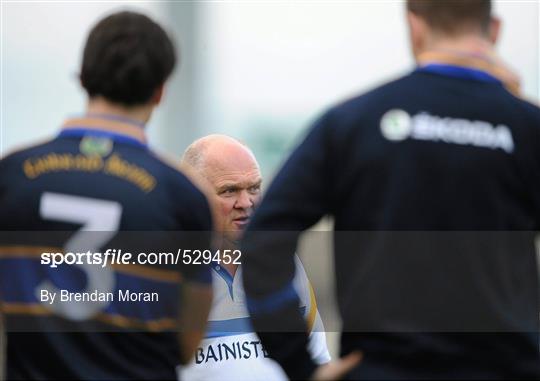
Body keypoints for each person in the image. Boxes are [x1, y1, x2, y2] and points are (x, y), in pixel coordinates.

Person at [242, 0, 540, 379]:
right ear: (494, 30)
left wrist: (300, 364)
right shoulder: (528, 128)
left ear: (414, 25)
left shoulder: (353, 123)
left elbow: (264, 241)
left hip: (383, 370)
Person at [0, 11, 213, 380]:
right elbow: (188, 345)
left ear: (82, 79)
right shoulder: (185, 195)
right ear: (160, 91)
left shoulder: (10, 175)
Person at [178, 135, 330, 381]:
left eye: (254, 188)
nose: (246, 202)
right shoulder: (162, 270)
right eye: (229, 191)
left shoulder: (281, 265)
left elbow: (318, 359)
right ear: (192, 195)